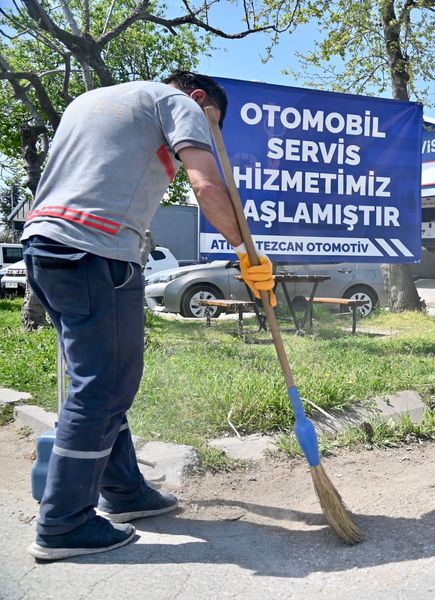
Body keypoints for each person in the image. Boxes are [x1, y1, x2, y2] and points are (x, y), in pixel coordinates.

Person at [21, 71, 276, 561]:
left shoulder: (93, 100)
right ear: (199, 99)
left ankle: (125, 492)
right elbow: (206, 184)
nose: (209, 134)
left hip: (45, 248)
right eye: (213, 124)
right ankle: (64, 522)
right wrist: (246, 251)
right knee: (102, 385)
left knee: (100, 379)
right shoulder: (177, 103)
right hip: (95, 253)